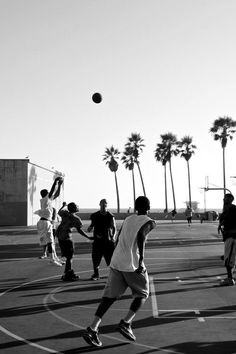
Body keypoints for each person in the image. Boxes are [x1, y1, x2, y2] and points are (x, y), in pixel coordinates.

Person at [82, 196, 156, 347]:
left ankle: (92, 328)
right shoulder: (150, 221)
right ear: (149, 207)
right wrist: (141, 259)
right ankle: (126, 323)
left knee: (109, 297)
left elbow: (119, 237)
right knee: (142, 293)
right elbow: (141, 235)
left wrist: (117, 253)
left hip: (117, 261)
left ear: (135, 207)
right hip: (131, 263)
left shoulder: (128, 219)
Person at [56, 202, 93, 281]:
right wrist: (88, 236)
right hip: (66, 237)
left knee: (68, 256)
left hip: (60, 236)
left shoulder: (65, 213)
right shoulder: (76, 219)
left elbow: (59, 211)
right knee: (70, 257)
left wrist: (63, 206)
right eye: (76, 206)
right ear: (74, 208)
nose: (78, 207)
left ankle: (67, 272)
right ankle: (68, 274)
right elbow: (79, 230)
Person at [35, 176, 64, 266]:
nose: (50, 194)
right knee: (50, 242)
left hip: (45, 222)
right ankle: (52, 259)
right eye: (48, 193)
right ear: (46, 194)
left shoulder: (48, 201)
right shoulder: (45, 200)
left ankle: (55, 258)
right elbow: (52, 191)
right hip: (44, 222)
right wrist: (55, 181)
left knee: (51, 242)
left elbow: (57, 194)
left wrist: (59, 185)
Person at [87, 199, 117, 280]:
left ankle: (113, 275)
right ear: (99, 204)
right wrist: (89, 229)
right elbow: (91, 226)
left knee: (111, 260)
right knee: (96, 258)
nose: (104, 205)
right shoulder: (95, 215)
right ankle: (96, 274)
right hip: (97, 241)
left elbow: (114, 228)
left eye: (105, 203)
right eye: (102, 203)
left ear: (107, 205)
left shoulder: (110, 216)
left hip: (108, 241)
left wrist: (113, 237)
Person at [218, 193, 236, 286]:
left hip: (232, 237)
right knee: (229, 259)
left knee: (228, 260)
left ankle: (230, 279)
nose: (223, 199)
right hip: (228, 237)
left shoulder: (232, 209)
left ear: (230, 199)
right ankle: (230, 278)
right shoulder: (227, 209)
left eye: (225, 198)